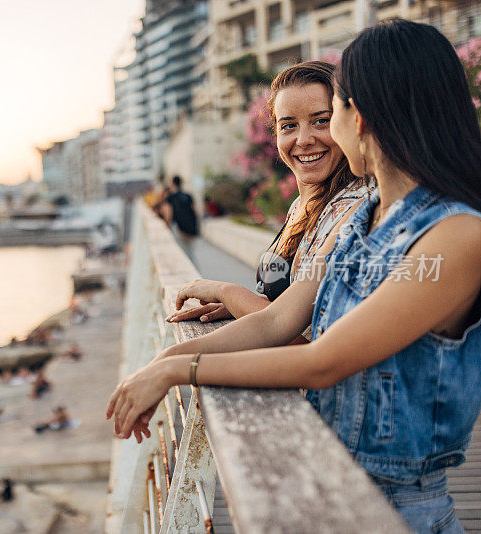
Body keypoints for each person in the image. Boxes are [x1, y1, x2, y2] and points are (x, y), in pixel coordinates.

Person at [107, 20, 481, 534]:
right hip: (325, 478)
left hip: (395, 511)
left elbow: (321, 361)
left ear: (361, 116)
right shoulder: (369, 213)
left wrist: (178, 372)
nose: (313, 135)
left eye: (334, 109)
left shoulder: (457, 235)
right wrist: (164, 358)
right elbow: (278, 319)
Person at [167, 61, 367, 328]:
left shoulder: (354, 209)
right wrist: (242, 306)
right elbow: (282, 310)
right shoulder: (299, 205)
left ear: (345, 123)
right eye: (289, 126)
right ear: (275, 133)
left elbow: (305, 337)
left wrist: (227, 292)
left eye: (321, 121)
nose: (304, 139)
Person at [164, 176, 199, 260]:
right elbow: (196, 212)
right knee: (190, 252)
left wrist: (166, 226)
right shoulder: (188, 196)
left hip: (179, 228)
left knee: (183, 253)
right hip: (191, 228)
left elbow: (169, 214)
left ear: (172, 183)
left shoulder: (171, 197)